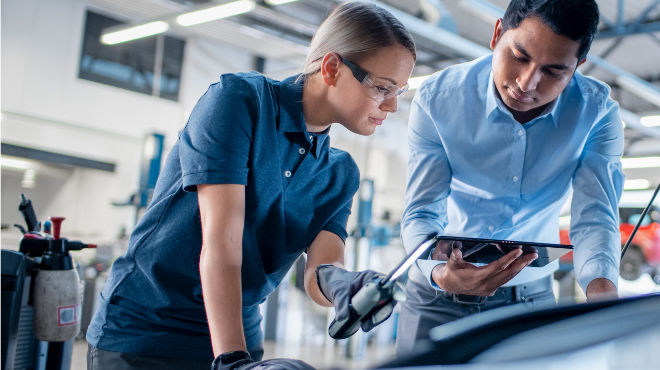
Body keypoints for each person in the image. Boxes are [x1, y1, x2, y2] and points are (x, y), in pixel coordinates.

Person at [85, 3, 416, 369]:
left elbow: (318, 271)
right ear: (332, 67)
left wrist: (345, 285)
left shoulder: (339, 174)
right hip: (147, 334)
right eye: (382, 88)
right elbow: (222, 242)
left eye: (399, 91)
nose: (392, 107)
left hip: (240, 334)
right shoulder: (240, 101)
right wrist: (233, 360)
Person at [396, 0, 624, 356]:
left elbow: (595, 218)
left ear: (578, 66)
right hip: (436, 296)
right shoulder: (437, 100)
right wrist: (441, 272)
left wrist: (602, 296)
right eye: (519, 56)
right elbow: (422, 212)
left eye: (553, 72)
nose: (527, 83)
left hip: (530, 302)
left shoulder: (597, 114)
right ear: (497, 33)